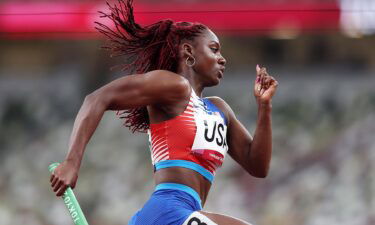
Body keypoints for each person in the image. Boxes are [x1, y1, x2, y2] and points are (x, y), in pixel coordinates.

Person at [49, 0, 278, 224]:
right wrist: (72, 162)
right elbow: (97, 99)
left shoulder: (219, 109)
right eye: (214, 49)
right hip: (166, 212)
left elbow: (257, 166)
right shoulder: (174, 86)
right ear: (188, 52)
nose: (222, 58)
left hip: (186, 213)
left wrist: (264, 107)